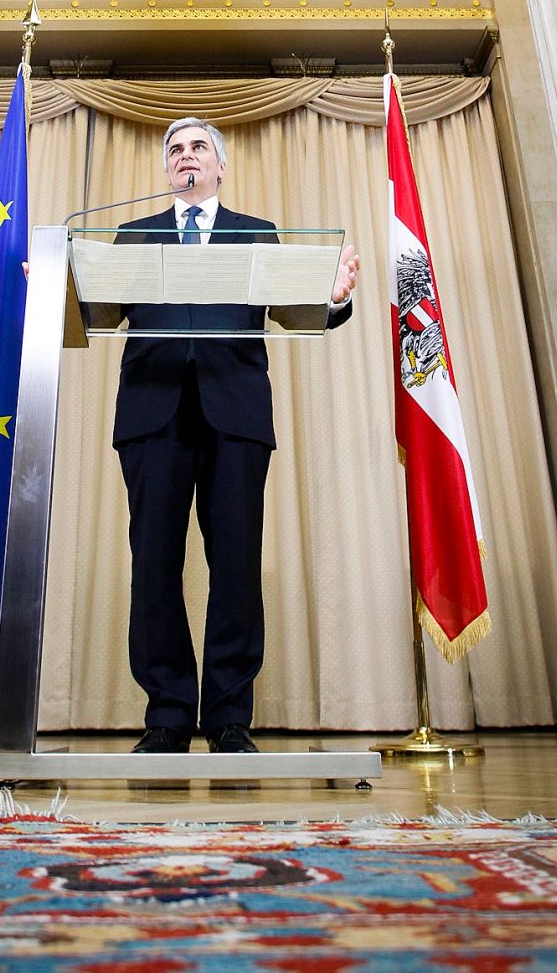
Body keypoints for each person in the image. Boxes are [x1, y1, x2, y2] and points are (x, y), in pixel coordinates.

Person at [112, 116, 359, 753]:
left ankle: (228, 717)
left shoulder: (256, 233)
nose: (185, 156)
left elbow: (299, 311)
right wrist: (53, 288)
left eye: (198, 147)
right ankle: (168, 716)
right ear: (167, 169)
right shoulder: (133, 236)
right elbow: (93, 308)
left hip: (236, 415)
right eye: (175, 150)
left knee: (236, 567)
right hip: (153, 414)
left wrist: (332, 296)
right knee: (154, 566)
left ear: (220, 167)